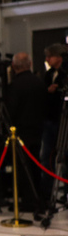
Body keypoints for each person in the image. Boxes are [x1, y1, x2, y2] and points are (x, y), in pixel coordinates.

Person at [7, 52, 46, 215]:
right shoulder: (39, 82)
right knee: (35, 162)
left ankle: (27, 199)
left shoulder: (14, 85)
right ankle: (38, 195)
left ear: (14, 67)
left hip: (20, 131)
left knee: (22, 167)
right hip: (37, 128)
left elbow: (11, 110)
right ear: (29, 64)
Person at [40, 44, 68, 202]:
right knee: (47, 156)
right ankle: (47, 190)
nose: (47, 59)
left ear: (58, 57)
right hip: (50, 119)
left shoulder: (64, 73)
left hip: (63, 120)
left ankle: (66, 191)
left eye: (49, 56)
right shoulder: (49, 74)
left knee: (65, 156)